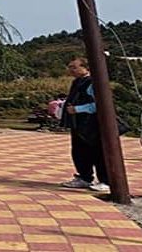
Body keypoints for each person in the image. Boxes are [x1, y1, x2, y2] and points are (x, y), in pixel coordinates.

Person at [60, 57, 110, 193]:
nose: (71, 70)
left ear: (85, 67)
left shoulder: (93, 82)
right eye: (70, 67)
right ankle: (84, 177)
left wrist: (78, 109)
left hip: (92, 124)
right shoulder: (77, 82)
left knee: (98, 153)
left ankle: (106, 180)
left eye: (74, 67)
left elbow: (99, 104)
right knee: (79, 152)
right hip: (78, 124)